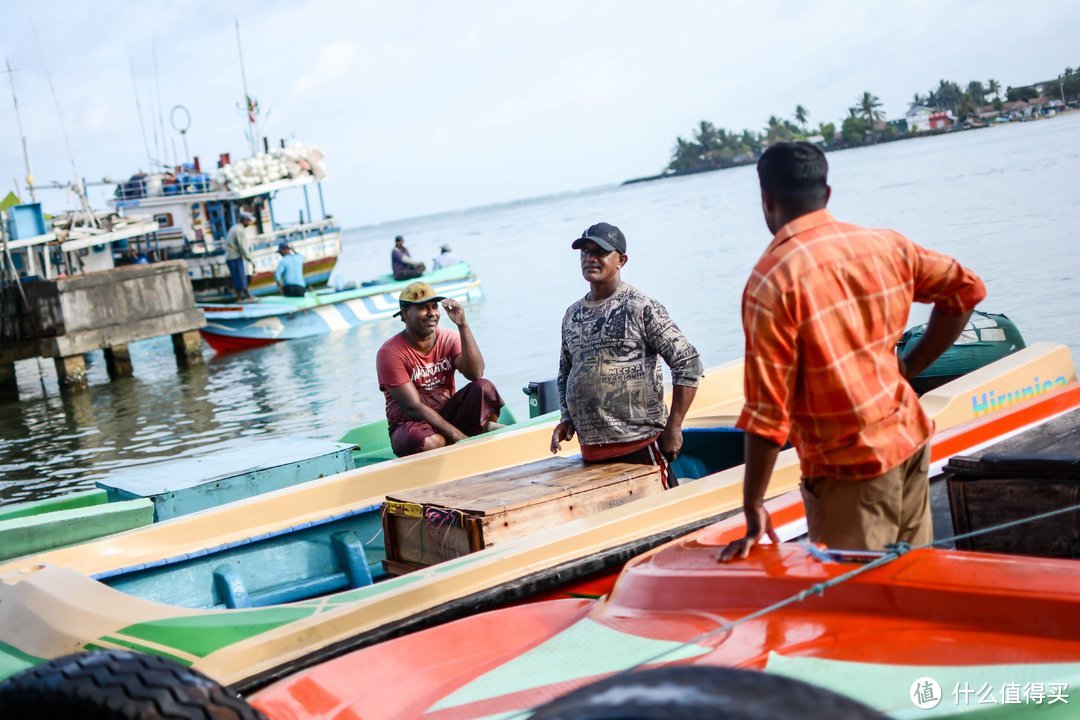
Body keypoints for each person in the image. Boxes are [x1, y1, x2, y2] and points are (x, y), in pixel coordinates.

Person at [719, 142, 987, 562]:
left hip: (848, 471)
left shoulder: (771, 282)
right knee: (913, 584)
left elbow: (768, 415)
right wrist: (911, 366)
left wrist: (754, 506)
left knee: (863, 601)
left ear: (766, 199)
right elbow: (965, 290)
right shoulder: (885, 245)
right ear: (826, 195)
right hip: (911, 443)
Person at [550, 222, 703, 489]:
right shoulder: (572, 314)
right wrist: (567, 418)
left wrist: (674, 426)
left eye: (599, 252)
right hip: (591, 452)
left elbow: (687, 362)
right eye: (585, 251)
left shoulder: (640, 307)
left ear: (621, 260)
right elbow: (566, 371)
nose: (590, 258)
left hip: (639, 445)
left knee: (661, 517)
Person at [376, 281, 505, 457]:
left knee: (484, 387)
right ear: (405, 314)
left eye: (434, 307)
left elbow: (475, 373)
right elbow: (412, 407)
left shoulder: (448, 338)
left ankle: (476, 436)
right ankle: (465, 439)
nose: (431, 314)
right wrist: (459, 437)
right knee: (432, 443)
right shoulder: (390, 353)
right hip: (411, 425)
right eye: (423, 308)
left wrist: (463, 325)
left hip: (447, 415)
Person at [224, 211, 256, 301]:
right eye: (249, 221)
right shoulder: (239, 230)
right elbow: (243, 246)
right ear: (245, 221)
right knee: (239, 278)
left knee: (240, 277)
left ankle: (247, 296)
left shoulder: (235, 228)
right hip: (234, 257)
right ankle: (240, 298)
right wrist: (250, 259)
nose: (250, 223)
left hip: (233, 257)